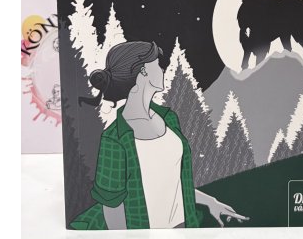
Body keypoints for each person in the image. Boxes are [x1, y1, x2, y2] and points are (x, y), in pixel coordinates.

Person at [70, 40, 248, 229]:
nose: (163, 69)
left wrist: (211, 202)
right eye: (157, 64)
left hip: (185, 228)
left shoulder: (169, 118)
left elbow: (171, 181)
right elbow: (112, 206)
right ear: (143, 72)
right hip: (145, 234)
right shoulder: (115, 139)